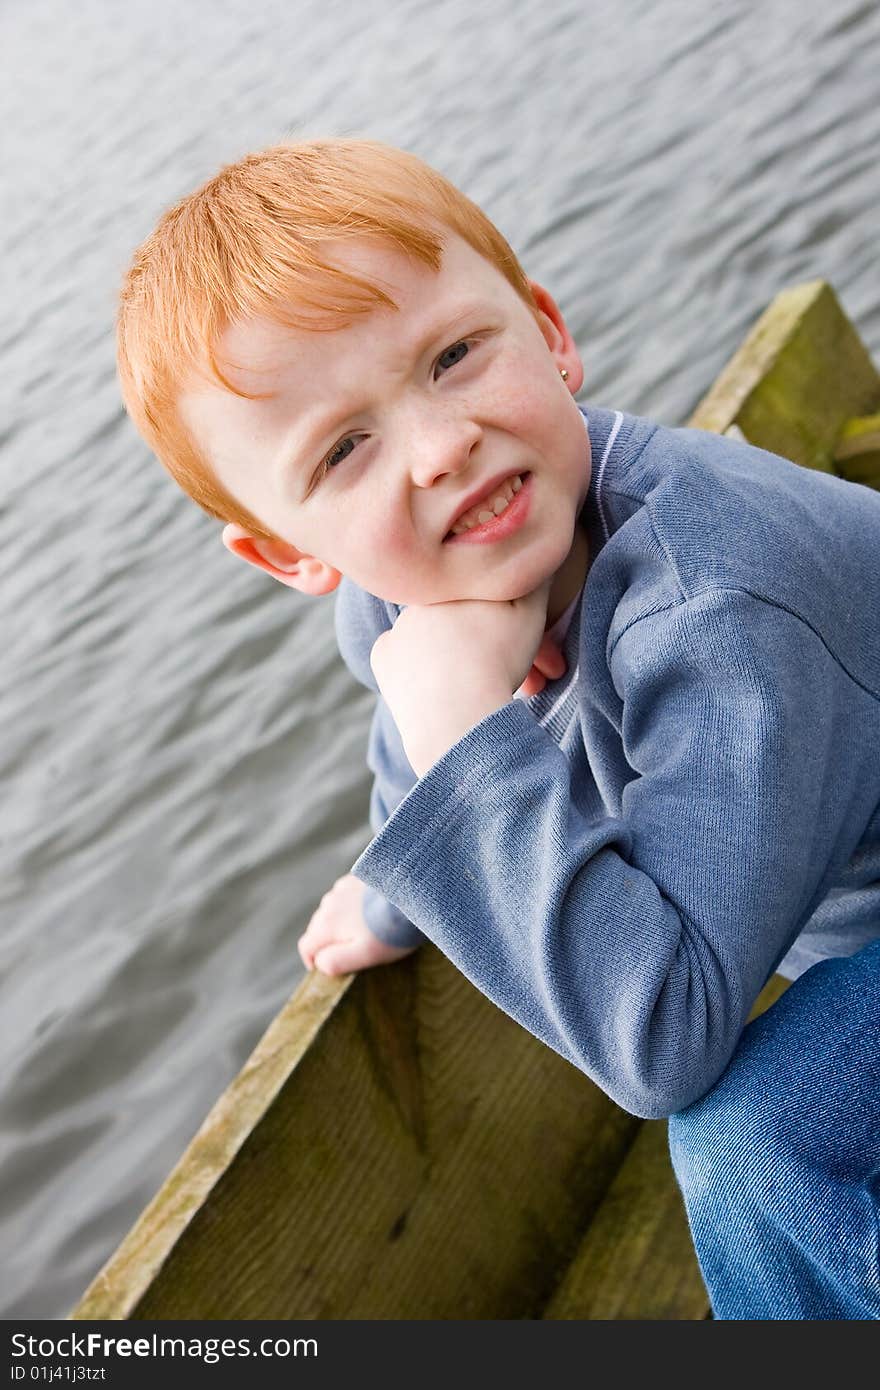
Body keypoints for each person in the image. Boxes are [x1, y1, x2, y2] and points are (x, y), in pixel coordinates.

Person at [115, 138, 880, 1319]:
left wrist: (473, 744)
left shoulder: (719, 605)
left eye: (454, 356)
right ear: (291, 552)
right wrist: (388, 891)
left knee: (755, 1149)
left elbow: (661, 1042)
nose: (439, 448)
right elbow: (402, 743)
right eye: (343, 448)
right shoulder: (405, 588)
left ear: (548, 331)